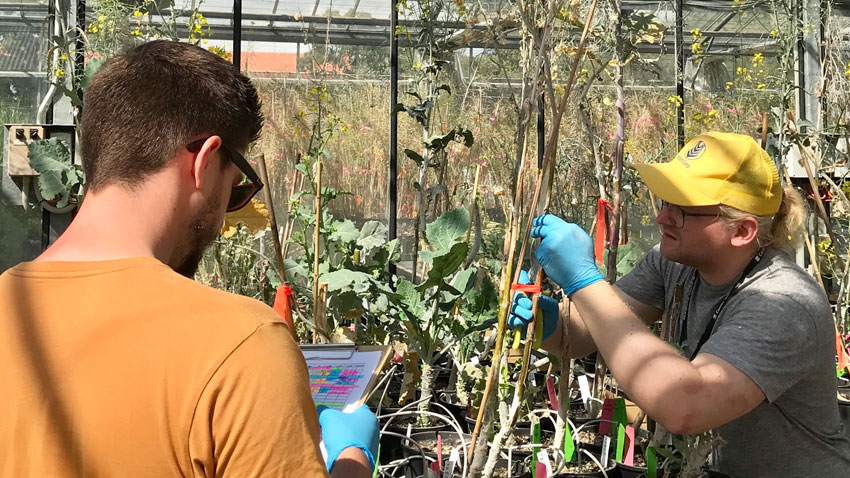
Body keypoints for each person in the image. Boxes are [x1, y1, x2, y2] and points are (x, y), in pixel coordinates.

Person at [0, 41, 377, 477]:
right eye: (235, 188)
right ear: (204, 160)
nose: (224, 215)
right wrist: (353, 459)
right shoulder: (243, 346)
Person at [510, 132, 850, 477]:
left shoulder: (784, 301)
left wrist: (585, 280)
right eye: (664, 202)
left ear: (742, 231)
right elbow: (582, 335)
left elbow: (685, 405)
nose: (662, 218)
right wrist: (548, 321)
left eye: (681, 209)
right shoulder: (672, 263)